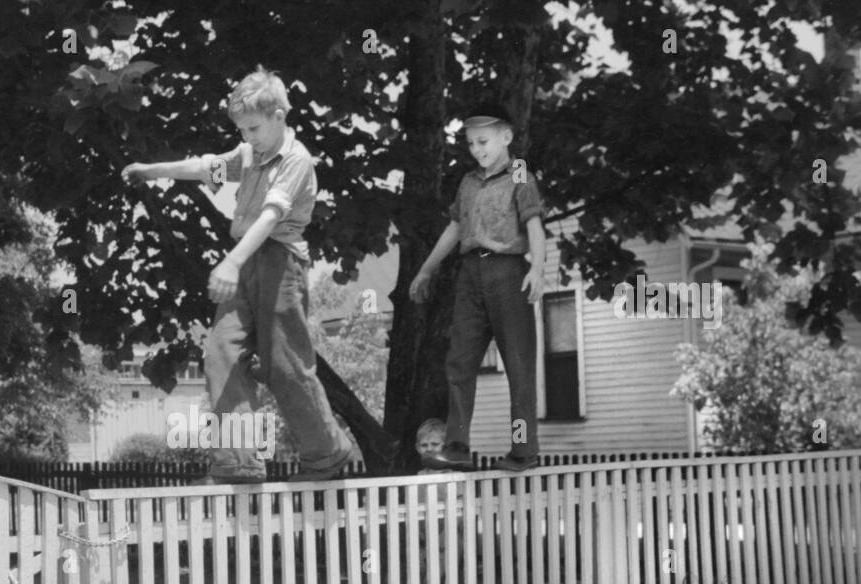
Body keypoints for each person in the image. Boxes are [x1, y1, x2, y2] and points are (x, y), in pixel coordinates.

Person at [122, 67, 354, 483]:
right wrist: (152, 170)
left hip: (281, 264)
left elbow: (270, 216)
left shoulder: (296, 160)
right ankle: (239, 460)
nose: (248, 138)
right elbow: (205, 167)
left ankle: (327, 453)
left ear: (280, 116)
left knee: (283, 365)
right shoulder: (249, 155)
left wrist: (230, 261)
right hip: (247, 264)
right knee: (221, 351)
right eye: (242, 130)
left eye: (254, 128)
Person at [408, 102, 545, 472]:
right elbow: (455, 228)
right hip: (470, 273)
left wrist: (539, 268)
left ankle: (523, 448)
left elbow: (533, 224)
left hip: (508, 272)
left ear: (505, 137)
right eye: (471, 143)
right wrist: (426, 270)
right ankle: (457, 445)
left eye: (483, 141)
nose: (478, 149)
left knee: (517, 366)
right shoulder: (468, 183)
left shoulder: (519, 175)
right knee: (459, 362)